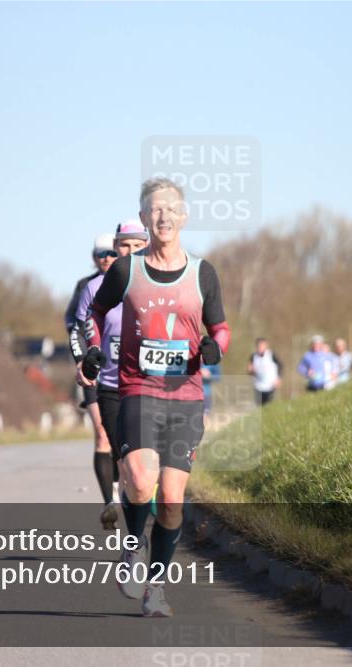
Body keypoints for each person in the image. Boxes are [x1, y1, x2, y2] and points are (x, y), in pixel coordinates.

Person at [79, 177, 230, 618]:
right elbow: (94, 311)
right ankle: (132, 548)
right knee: (141, 482)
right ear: (145, 219)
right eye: (154, 210)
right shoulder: (127, 271)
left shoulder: (203, 273)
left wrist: (215, 347)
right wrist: (92, 348)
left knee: (170, 501)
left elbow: (220, 328)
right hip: (138, 389)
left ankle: (156, 588)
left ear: (183, 217)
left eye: (171, 209)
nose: (163, 216)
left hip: (184, 397)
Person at [74, 220, 149, 529]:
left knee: (144, 462)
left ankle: (144, 502)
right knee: (115, 449)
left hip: (147, 383)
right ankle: (117, 508)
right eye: (122, 247)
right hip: (105, 380)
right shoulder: (92, 287)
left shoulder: (155, 282)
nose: (123, 253)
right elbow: (81, 327)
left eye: (135, 246)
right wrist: (86, 358)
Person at [66, 234, 116, 520]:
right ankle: (109, 502)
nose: (106, 258)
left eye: (111, 252)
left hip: (124, 370)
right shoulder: (85, 286)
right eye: (101, 254)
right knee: (102, 435)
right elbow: (73, 326)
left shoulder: (132, 281)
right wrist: (82, 362)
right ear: (94, 257)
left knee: (123, 437)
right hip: (94, 370)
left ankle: (124, 488)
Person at [247, 337, 282, 405]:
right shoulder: (253, 356)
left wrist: (278, 379)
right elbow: (250, 371)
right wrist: (250, 371)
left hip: (271, 385)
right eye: (259, 346)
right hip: (258, 386)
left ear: (266, 346)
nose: (260, 347)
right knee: (259, 407)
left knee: (269, 405)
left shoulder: (271, 355)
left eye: (262, 345)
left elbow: (280, 366)